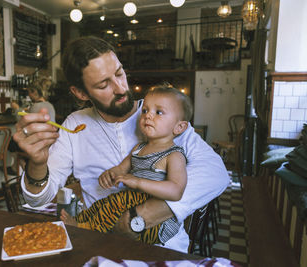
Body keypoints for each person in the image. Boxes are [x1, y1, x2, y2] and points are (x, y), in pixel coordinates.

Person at [13, 36, 229, 253]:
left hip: (164, 246)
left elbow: (217, 173)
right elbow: (38, 200)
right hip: (99, 243)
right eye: (104, 84)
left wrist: (143, 216)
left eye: (119, 73)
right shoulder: (75, 125)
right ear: (81, 93)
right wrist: (38, 163)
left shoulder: (164, 118)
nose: (120, 88)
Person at [60, 84, 190, 245]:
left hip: (158, 224)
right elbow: (121, 169)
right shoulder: (139, 148)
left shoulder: (174, 155)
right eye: (145, 111)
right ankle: (80, 220)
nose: (148, 116)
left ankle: (85, 227)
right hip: (134, 203)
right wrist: (110, 174)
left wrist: (138, 182)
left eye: (158, 112)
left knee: (115, 205)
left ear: (179, 127)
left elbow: (176, 191)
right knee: (104, 203)